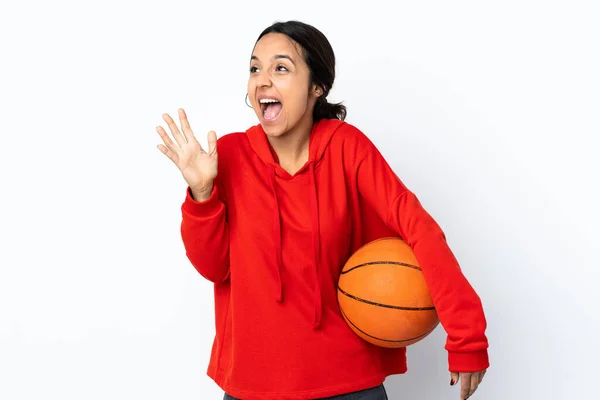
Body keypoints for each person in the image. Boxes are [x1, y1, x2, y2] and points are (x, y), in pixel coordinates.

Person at [156, 20, 489, 400]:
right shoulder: (229, 156)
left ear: (318, 86)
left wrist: (467, 336)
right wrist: (202, 194)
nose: (262, 80)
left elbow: (419, 230)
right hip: (253, 386)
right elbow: (213, 267)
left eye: (280, 68)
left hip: (350, 384)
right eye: (254, 68)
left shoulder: (348, 149)